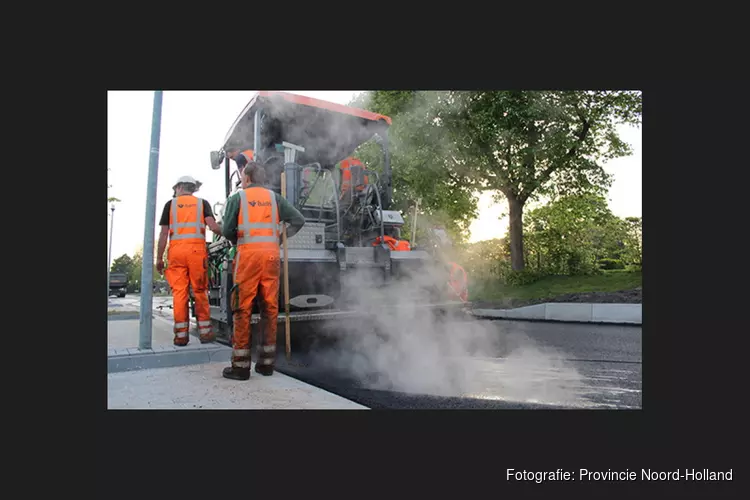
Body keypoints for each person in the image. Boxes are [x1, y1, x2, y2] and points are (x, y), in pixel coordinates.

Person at [221, 161, 306, 380]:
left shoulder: (237, 198)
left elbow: (227, 229)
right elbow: (298, 220)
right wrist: (278, 238)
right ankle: (266, 364)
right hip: (270, 257)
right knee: (269, 308)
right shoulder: (274, 198)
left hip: (248, 257)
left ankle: (240, 367)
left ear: (246, 178)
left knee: (242, 307)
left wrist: (238, 241)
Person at [156, 176, 223, 345]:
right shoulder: (202, 204)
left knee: (180, 293)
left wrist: (159, 258)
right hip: (196, 252)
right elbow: (213, 227)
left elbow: (164, 234)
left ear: (178, 187)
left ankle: (181, 336)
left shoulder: (170, 205)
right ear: (193, 188)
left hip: (176, 252)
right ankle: (206, 333)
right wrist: (230, 235)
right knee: (200, 292)